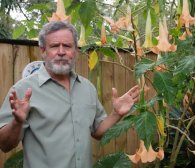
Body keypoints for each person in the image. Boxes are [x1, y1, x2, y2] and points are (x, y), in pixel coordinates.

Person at [0, 21, 140, 168]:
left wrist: (116, 114)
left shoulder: (87, 88)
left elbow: (97, 132)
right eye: (54, 46)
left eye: (67, 46)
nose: (61, 51)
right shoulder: (23, 90)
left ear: (75, 51)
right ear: (43, 51)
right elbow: (5, 145)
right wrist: (17, 121)